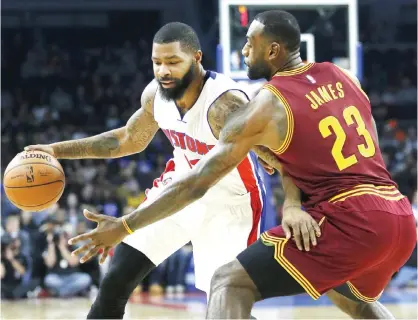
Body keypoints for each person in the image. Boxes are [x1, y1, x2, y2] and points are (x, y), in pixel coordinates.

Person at [68, 11, 417, 319]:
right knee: (352, 300)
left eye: (250, 43)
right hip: (397, 215)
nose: (243, 50)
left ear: (273, 50)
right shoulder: (344, 77)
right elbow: (348, 154)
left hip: (347, 218)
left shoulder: (263, 105)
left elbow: (197, 183)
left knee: (228, 282)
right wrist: (294, 203)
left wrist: (125, 226)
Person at [25, 22, 289, 318]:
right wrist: (56, 151)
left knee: (224, 311)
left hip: (229, 204)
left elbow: (282, 159)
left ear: (197, 59)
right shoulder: (155, 94)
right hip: (178, 187)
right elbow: (126, 139)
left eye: (173, 62)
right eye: (157, 62)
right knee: (114, 283)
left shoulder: (224, 105)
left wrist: (295, 204)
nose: (163, 71)